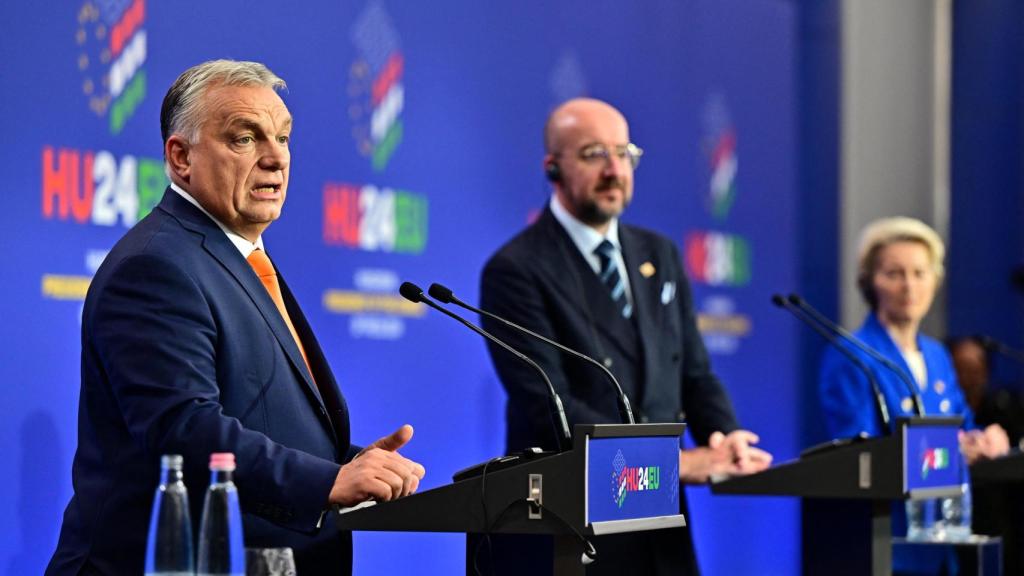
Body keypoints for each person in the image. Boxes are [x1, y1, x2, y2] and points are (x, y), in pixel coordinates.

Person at [45, 60, 425, 576]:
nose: (275, 159)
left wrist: (343, 466)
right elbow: (182, 427)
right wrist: (324, 483)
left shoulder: (237, 256)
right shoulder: (155, 265)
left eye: (284, 138)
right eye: (245, 138)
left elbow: (254, 416)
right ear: (181, 158)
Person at [479, 97, 772, 575]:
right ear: (552, 167)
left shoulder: (658, 253)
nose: (615, 170)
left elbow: (692, 370)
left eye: (625, 153)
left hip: (660, 525)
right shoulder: (517, 269)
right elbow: (550, 406)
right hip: (573, 523)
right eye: (595, 154)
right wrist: (673, 463)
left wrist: (724, 432)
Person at [819, 217, 1009, 460]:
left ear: (935, 280)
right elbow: (860, 453)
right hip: (891, 498)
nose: (909, 285)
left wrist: (984, 439)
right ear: (869, 282)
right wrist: (950, 453)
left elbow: (962, 426)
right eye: (894, 274)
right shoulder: (851, 354)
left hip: (946, 497)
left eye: (919, 273)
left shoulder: (936, 354)